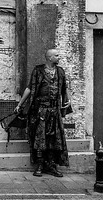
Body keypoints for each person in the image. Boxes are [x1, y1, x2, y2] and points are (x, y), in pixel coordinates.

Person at [14, 49, 71, 177]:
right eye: (56, 55)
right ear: (49, 58)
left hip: (54, 111)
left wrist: (68, 100)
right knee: (40, 138)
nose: (59, 57)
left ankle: (51, 166)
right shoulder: (38, 71)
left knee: (53, 138)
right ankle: (39, 165)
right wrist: (20, 104)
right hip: (40, 111)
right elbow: (30, 88)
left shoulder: (60, 71)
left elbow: (64, 88)